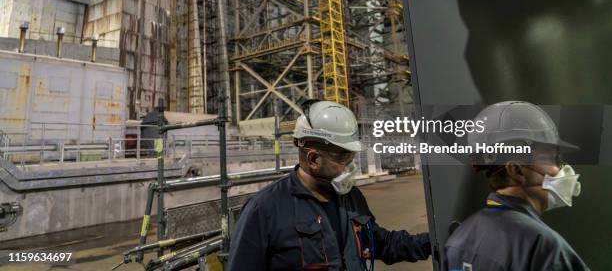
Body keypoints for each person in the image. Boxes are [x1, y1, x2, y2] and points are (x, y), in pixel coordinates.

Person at [228, 100, 431, 270]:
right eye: (343, 156)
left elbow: (382, 243)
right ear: (314, 159)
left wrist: (431, 241)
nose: (350, 164)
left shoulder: (352, 198)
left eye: (351, 155)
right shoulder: (264, 210)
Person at [445, 101, 589, 271]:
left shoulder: (459, 238)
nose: (562, 169)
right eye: (553, 159)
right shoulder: (542, 248)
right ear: (516, 170)